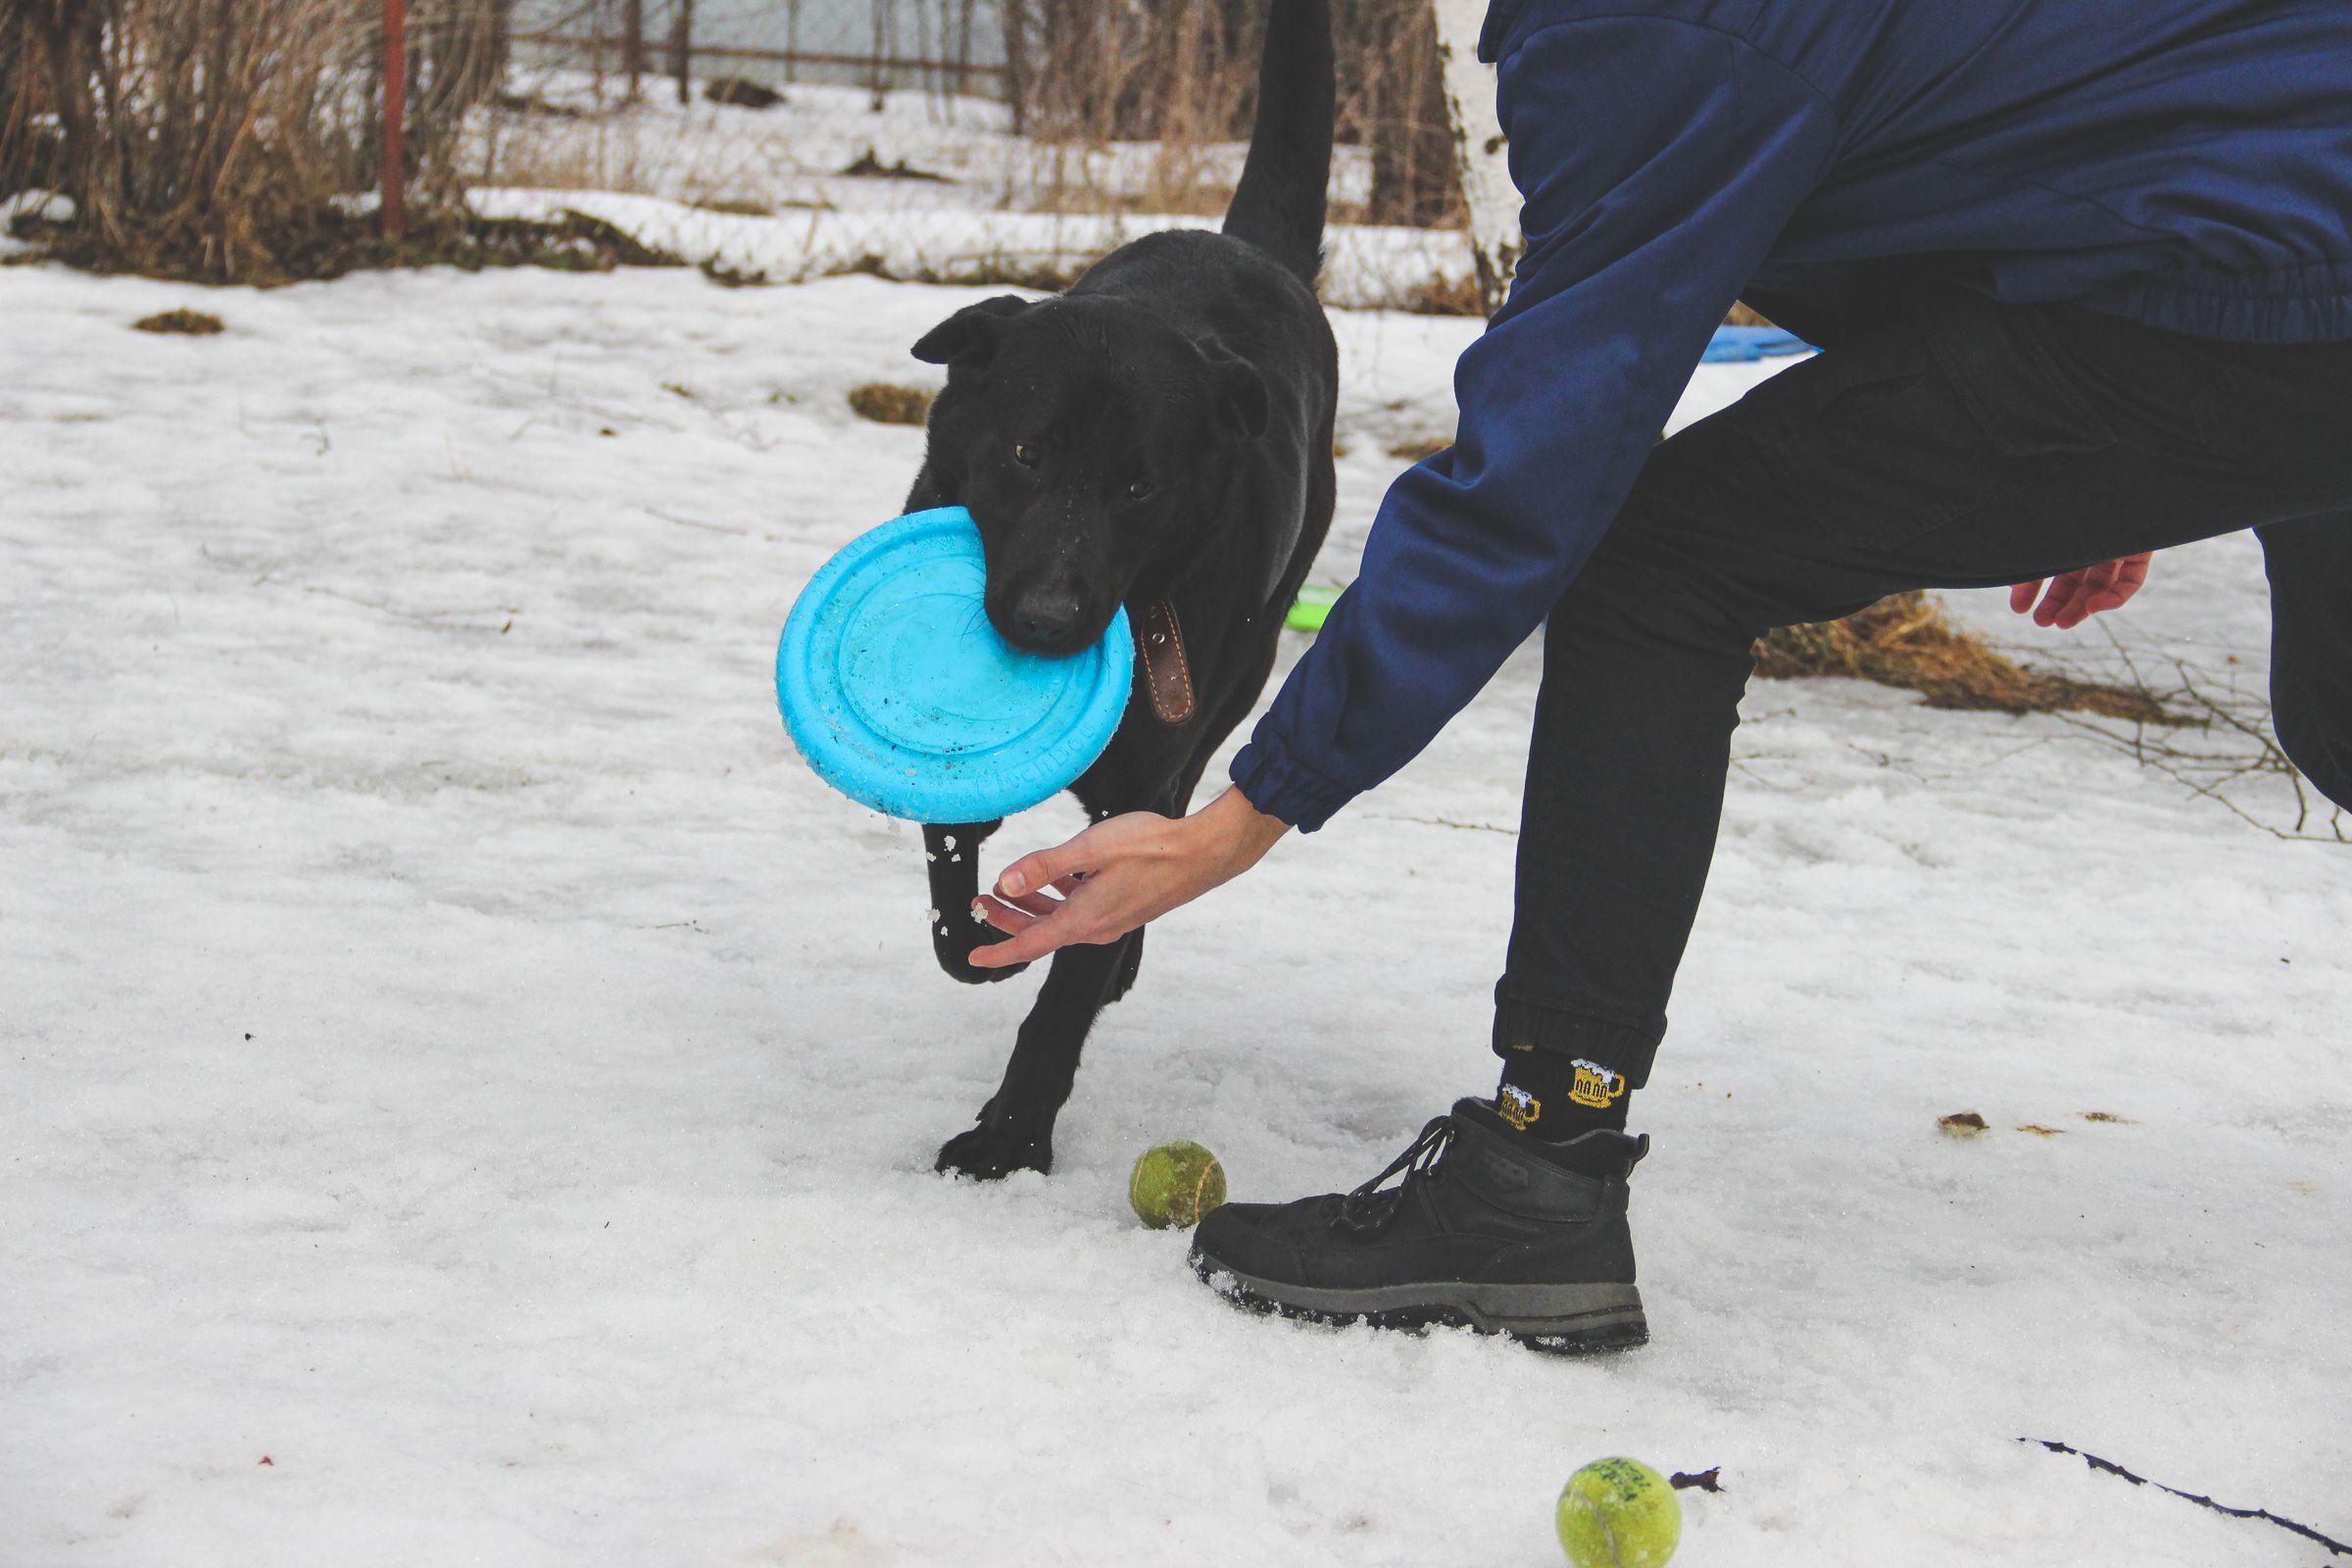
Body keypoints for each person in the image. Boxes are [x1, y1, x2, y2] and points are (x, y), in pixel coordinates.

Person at [968, 0, 2352, 1351]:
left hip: (2259, 277)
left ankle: (1537, 1182)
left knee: (1655, 565)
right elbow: (2008, 126)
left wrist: (1236, 818)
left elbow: (1537, 472)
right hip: (2263, 243)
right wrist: (2107, 455)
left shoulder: (1646, 33)